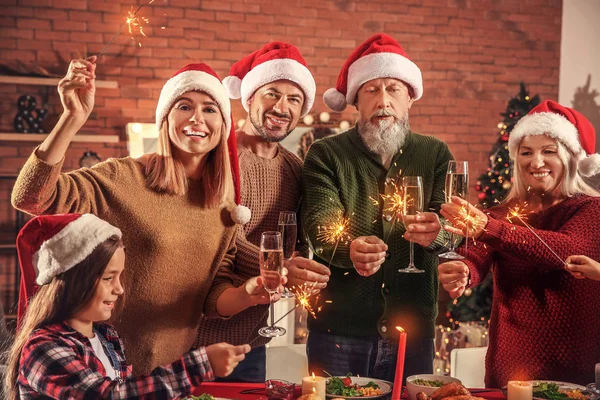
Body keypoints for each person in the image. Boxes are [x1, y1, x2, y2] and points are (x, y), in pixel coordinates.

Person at [11, 57, 277, 374]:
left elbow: (210, 294)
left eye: (209, 109)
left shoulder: (223, 200)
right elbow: (32, 198)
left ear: (223, 125)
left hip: (172, 373)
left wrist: (246, 295)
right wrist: (72, 117)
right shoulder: (125, 177)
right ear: (164, 119)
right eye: (183, 106)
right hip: (107, 369)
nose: (197, 118)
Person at [301, 33, 454, 382]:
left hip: (414, 333)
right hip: (338, 333)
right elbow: (321, 225)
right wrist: (347, 248)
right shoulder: (326, 153)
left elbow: (453, 229)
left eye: (393, 89)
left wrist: (439, 235)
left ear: (410, 98)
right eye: (371, 90)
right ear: (356, 99)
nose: (383, 101)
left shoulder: (435, 154)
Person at [438, 100, 600, 386]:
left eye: (548, 151)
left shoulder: (591, 209)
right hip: (510, 370)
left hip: (576, 371)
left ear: (571, 158)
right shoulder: (501, 215)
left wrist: (489, 227)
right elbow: (476, 256)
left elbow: (566, 249)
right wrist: (463, 272)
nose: (535, 162)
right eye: (526, 152)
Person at [195, 41, 331, 383]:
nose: (281, 107)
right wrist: (278, 266)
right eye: (272, 93)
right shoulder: (216, 157)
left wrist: (299, 268)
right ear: (250, 97)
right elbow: (216, 236)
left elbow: (295, 242)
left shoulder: (295, 169)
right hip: (191, 339)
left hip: (252, 343)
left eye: (294, 99)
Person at [4, 214, 250, 399]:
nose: (119, 289)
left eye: (119, 277)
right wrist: (200, 365)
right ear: (73, 281)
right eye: (109, 278)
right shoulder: (43, 348)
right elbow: (110, 396)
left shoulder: (105, 336)